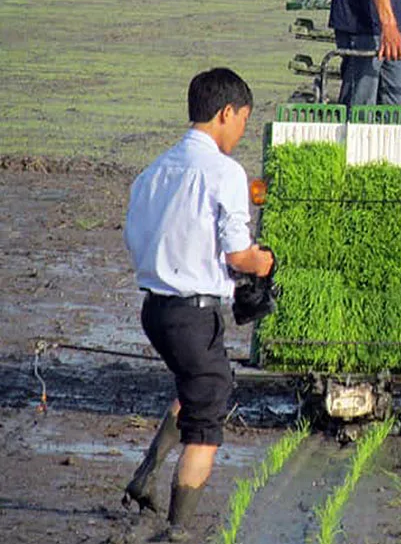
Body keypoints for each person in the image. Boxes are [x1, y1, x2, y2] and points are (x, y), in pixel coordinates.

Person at [122, 68, 274, 542]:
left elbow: (137, 239)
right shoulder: (224, 172)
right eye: (244, 120)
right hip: (192, 313)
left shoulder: (153, 170)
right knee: (206, 421)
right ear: (226, 113)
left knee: (195, 383)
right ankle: (178, 529)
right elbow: (237, 253)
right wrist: (263, 263)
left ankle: (145, 476)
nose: (243, 130)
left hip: (156, 311)